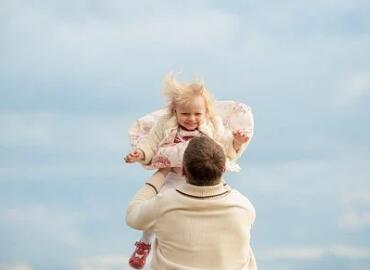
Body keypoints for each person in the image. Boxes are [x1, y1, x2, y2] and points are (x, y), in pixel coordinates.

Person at [124, 73, 254, 269]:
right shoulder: (244, 207)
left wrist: (236, 142)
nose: (191, 119)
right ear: (174, 112)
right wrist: (140, 153)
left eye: (197, 114)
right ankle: (145, 242)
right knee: (156, 207)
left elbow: (225, 148)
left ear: (206, 112)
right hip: (174, 176)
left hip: (189, 176)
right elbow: (151, 143)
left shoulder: (212, 126)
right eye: (185, 114)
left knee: (155, 209)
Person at [126, 136, 257, 270]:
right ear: (224, 169)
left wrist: (162, 171)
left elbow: (132, 215)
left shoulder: (164, 205)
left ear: (183, 171)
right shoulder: (243, 207)